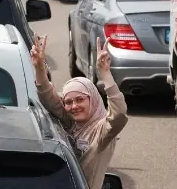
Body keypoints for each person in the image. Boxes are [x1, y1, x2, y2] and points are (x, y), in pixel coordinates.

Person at [30, 34, 128, 189]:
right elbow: (47, 96)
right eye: (68, 102)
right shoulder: (71, 121)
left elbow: (119, 114)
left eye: (80, 99)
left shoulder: (102, 131)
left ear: (93, 99)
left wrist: (105, 74)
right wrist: (39, 67)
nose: (74, 106)